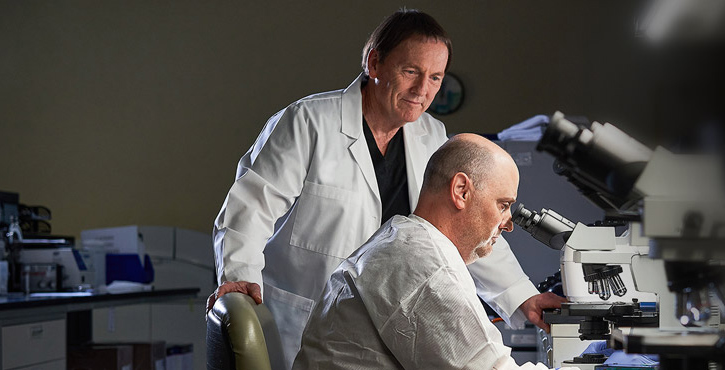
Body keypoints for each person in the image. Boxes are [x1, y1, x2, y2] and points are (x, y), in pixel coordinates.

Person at [210, 10, 562, 370]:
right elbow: (250, 207)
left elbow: (473, 223)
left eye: (435, 77)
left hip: (378, 329)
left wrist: (523, 298)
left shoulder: (432, 137)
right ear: (375, 63)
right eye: (411, 71)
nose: (422, 90)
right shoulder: (309, 122)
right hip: (298, 317)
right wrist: (240, 283)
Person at [294, 134, 573, 370]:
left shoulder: (404, 240)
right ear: (461, 191)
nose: (509, 223)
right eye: (503, 205)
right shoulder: (425, 266)